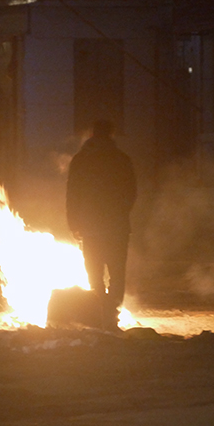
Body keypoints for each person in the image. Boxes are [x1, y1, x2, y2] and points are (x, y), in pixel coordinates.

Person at [66, 119, 137, 329]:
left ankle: (99, 315)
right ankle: (112, 315)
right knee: (117, 272)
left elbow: (72, 195)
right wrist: (120, 214)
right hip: (117, 226)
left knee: (94, 273)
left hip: (90, 227)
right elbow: (131, 193)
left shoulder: (80, 160)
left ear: (92, 134)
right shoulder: (122, 159)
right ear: (112, 134)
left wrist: (74, 223)